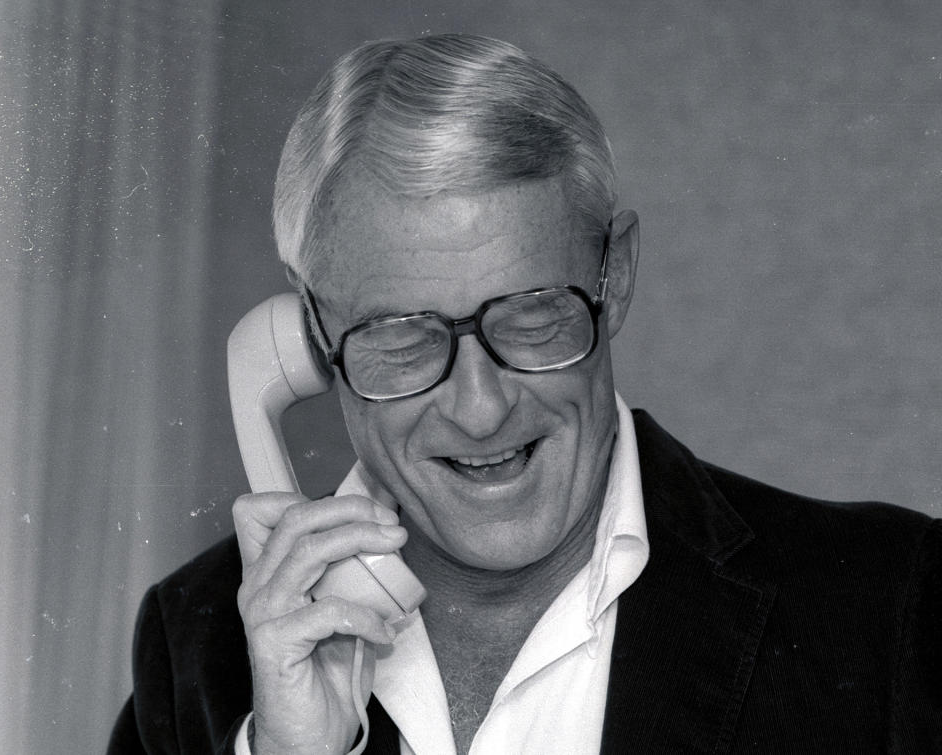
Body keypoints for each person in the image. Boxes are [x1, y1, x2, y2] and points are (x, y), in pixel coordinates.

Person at [108, 33, 941, 754]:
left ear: (613, 276)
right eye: (402, 335)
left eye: (534, 317)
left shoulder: (889, 610)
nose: (481, 408)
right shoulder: (198, 646)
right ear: (310, 336)